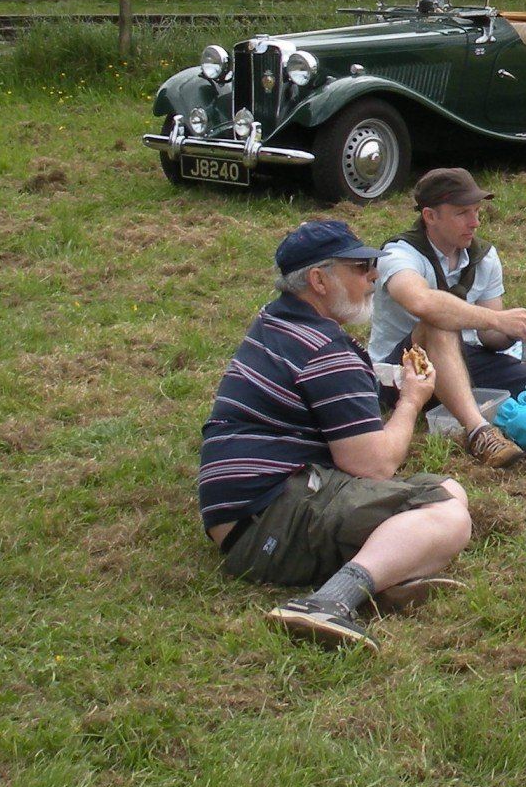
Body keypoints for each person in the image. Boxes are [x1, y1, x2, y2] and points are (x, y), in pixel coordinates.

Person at [199, 219, 474, 653]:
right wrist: (411, 400)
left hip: (241, 513)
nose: (373, 277)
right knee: (450, 518)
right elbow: (374, 465)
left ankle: (386, 579)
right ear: (318, 280)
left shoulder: (277, 321)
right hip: (264, 524)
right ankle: (327, 602)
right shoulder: (326, 352)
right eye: (360, 267)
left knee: (450, 492)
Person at [370, 167, 526, 468]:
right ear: (430, 216)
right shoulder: (399, 255)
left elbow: (490, 338)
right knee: (439, 321)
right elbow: (422, 301)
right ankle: (479, 432)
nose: (475, 222)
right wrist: (496, 319)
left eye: (477, 211)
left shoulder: (483, 256)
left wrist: (517, 327)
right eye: (462, 213)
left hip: (464, 360)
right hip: (403, 371)